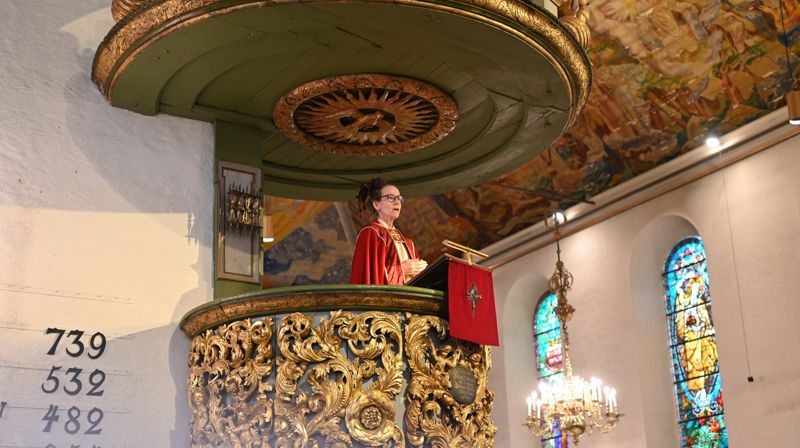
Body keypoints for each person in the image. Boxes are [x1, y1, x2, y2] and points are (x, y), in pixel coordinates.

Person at [350, 178, 427, 285]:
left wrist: (422, 272)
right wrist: (402, 269)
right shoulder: (371, 234)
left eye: (399, 198)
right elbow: (369, 279)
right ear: (376, 205)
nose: (397, 202)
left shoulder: (409, 244)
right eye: (390, 198)